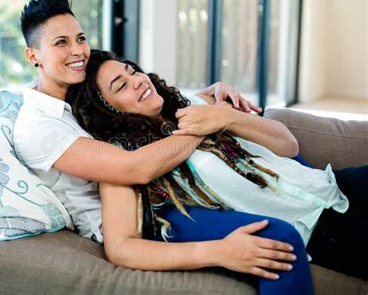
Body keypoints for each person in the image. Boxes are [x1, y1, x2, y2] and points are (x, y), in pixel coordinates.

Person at [13, 0, 302, 289]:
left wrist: (205, 98)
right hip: (140, 216)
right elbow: (134, 168)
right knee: (277, 237)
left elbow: (139, 102)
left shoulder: (76, 92)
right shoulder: (39, 127)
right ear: (33, 55)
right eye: (61, 43)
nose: (77, 51)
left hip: (157, 188)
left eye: (80, 38)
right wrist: (202, 123)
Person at [65, 49, 368, 292]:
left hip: (335, 186)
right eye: (122, 85)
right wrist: (216, 251)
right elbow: (121, 247)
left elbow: (288, 145)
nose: (138, 81)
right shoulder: (127, 161)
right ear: (107, 111)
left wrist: (226, 118)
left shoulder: (191, 103)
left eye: (132, 71)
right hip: (320, 230)